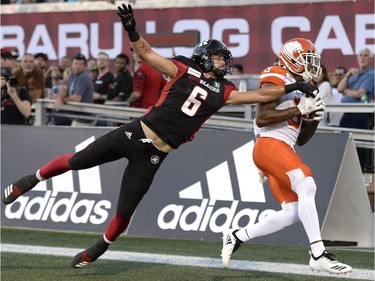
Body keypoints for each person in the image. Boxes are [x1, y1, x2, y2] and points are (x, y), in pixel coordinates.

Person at [2, 4, 320, 269]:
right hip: (135, 132)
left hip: (155, 154)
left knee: (125, 211)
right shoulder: (181, 68)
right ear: (207, 56)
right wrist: (131, 29)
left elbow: (254, 97)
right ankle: (29, 180)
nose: (226, 63)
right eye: (222, 58)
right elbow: (145, 53)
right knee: (77, 161)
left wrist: (294, 87)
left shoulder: (225, 90)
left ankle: (98, 248)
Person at [221, 38, 352, 275]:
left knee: (293, 211)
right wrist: (298, 109)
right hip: (269, 145)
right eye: (307, 60)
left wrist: (313, 118)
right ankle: (318, 254)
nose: (312, 66)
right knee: (307, 184)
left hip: (283, 148)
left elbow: (300, 139)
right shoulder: (278, 74)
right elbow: (262, 117)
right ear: (292, 59)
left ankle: (237, 235)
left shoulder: (300, 86)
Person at [338, 48, 374, 172]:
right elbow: (339, 88)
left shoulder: (371, 75)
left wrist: (346, 91)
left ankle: (359, 172)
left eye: (365, 55)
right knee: (343, 142)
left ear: (371, 59)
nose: (362, 58)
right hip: (347, 113)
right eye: (360, 55)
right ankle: (344, 170)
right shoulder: (354, 73)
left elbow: (359, 94)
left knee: (358, 145)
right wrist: (347, 75)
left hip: (360, 114)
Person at [54, 53, 95, 127]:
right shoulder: (73, 76)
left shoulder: (83, 77)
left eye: (80, 64)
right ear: (72, 65)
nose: (77, 66)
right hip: (75, 115)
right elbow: (64, 88)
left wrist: (62, 99)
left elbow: (76, 98)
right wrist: (59, 97)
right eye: (75, 63)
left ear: (85, 66)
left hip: (84, 117)